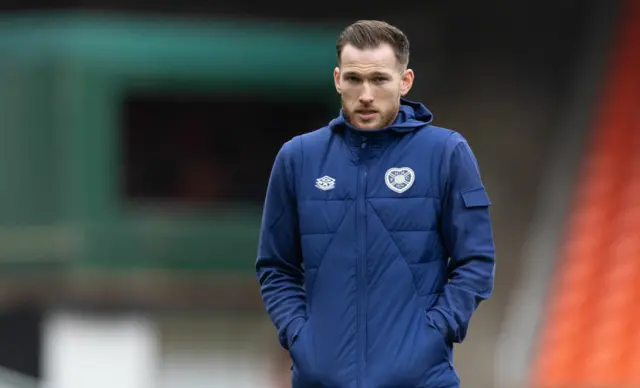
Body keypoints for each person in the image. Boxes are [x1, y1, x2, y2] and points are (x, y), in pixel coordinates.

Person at [256, 20, 495, 388]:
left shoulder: (446, 153)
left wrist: (433, 334)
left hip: (421, 379)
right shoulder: (297, 158)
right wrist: (301, 338)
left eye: (380, 79)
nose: (366, 94)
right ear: (338, 80)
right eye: (354, 79)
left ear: (405, 81)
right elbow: (276, 266)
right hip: (321, 379)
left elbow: (476, 261)